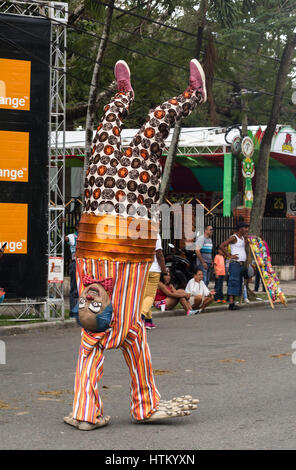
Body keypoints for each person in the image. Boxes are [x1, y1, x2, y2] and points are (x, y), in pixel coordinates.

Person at [64, 58, 205, 430]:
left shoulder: (128, 169)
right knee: (108, 331)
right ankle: (102, 410)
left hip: (124, 241)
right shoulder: (111, 168)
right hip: (104, 242)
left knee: (117, 333)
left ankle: (100, 409)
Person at [141, 233, 168, 329]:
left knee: (144, 296)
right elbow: (159, 254)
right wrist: (165, 272)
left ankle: (148, 321)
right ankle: (141, 317)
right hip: (154, 269)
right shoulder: (155, 234)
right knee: (149, 296)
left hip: (142, 268)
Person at [220, 221, 249, 310]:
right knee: (233, 282)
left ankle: (234, 302)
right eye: (245, 228)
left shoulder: (243, 238)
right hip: (235, 264)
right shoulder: (234, 237)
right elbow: (222, 245)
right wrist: (229, 255)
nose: (246, 229)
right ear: (240, 229)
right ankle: (231, 304)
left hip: (241, 264)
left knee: (238, 282)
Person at [65, 223, 79, 317]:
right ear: (77, 227)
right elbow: (66, 238)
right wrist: (60, 225)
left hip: (86, 264)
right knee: (74, 288)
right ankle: (73, 313)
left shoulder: (87, 236)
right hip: (76, 263)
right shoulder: (72, 236)